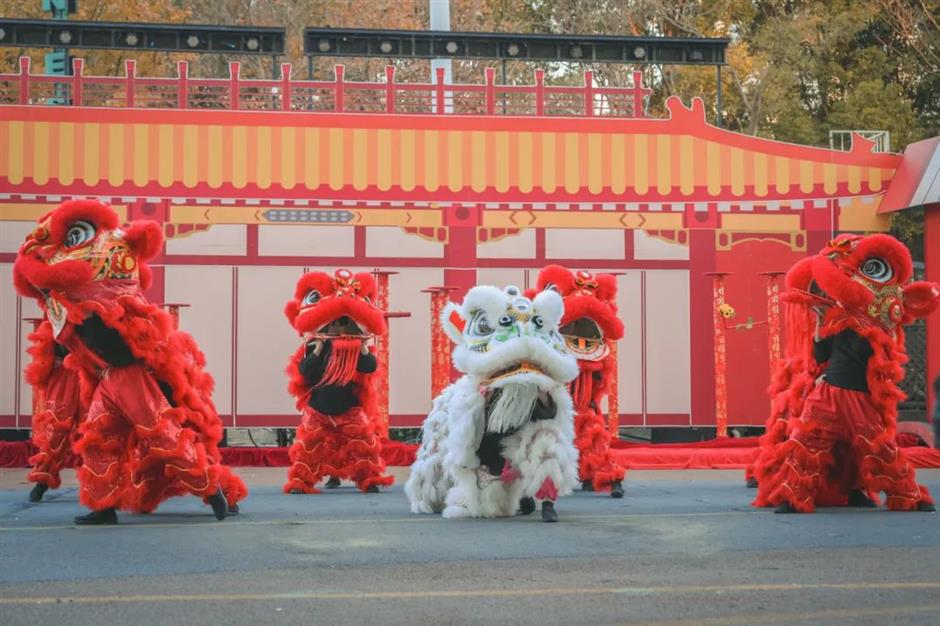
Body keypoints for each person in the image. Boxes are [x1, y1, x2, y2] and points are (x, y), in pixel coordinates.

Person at [13, 199, 247, 524]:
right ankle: (102, 506)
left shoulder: (110, 298)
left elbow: (130, 345)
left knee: (161, 433)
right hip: (110, 379)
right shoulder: (74, 302)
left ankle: (212, 489)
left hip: (130, 378)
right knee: (97, 439)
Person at [754, 234, 939, 513]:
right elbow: (822, 355)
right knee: (806, 441)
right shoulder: (840, 317)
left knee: (878, 447)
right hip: (828, 391)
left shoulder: (882, 320)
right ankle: (794, 497)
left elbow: (883, 356)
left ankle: (907, 495)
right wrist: (820, 322)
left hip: (859, 396)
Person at [283, 269, 394, 494]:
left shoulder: (356, 349)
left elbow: (369, 367)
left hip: (349, 409)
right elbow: (306, 374)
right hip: (319, 409)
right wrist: (317, 350)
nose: (339, 329)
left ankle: (368, 479)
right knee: (309, 447)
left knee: (363, 444)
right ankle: (303, 482)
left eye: (344, 324)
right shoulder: (314, 347)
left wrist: (363, 349)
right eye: (335, 324)